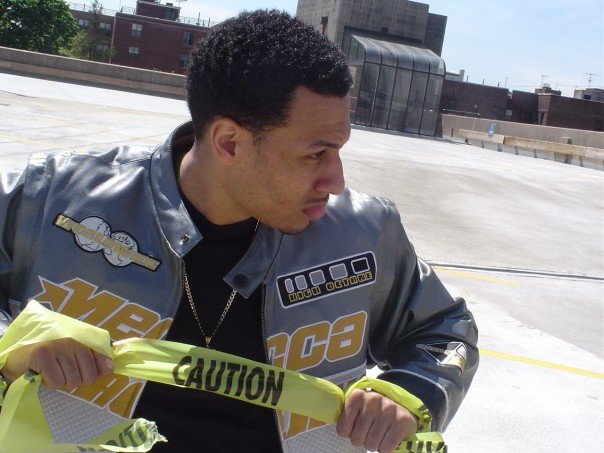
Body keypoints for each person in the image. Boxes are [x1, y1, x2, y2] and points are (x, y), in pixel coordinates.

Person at [0, 9, 478, 453]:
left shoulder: (365, 233)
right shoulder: (54, 196)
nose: (336, 180)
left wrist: (411, 392)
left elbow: (446, 330)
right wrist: (14, 343)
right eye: (315, 153)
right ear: (229, 142)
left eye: (339, 150)